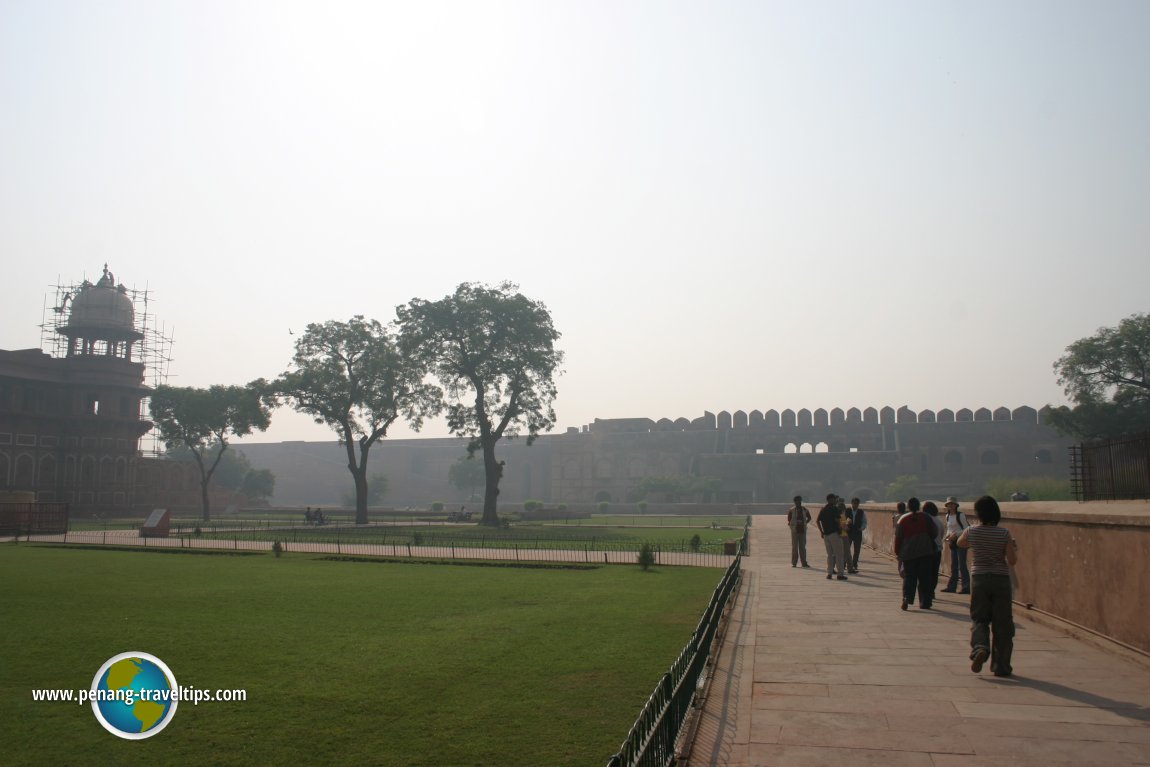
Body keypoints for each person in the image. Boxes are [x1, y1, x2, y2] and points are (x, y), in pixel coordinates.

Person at [958, 495, 1019, 676]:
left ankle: (980, 648)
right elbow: (1012, 561)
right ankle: (1001, 666)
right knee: (1003, 623)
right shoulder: (1004, 533)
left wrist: (975, 545)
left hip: (980, 578)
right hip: (1000, 579)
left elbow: (961, 543)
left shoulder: (972, 531)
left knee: (979, 618)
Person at [894, 497, 937, 610]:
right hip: (925, 552)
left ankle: (907, 598)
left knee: (910, 577)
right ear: (918, 506)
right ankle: (925, 602)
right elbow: (934, 533)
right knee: (925, 578)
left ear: (908, 507)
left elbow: (898, 538)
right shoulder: (926, 517)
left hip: (908, 553)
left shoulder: (903, 519)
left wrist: (898, 553)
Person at [941, 497, 970, 593]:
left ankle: (966, 586)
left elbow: (967, 529)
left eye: (952, 504)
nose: (950, 506)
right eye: (949, 504)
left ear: (956, 505)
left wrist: (956, 534)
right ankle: (952, 586)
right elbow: (949, 528)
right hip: (953, 542)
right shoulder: (947, 516)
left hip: (961, 541)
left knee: (962, 564)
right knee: (954, 565)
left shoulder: (960, 515)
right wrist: (948, 536)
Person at [817, 493, 848, 580]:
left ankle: (829, 573)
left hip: (826, 535)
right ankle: (840, 574)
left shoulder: (823, 509)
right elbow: (839, 520)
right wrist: (844, 527)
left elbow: (817, 521)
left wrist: (821, 532)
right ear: (831, 499)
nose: (835, 500)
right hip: (834, 534)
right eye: (834, 499)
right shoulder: (834, 509)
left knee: (830, 555)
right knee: (839, 555)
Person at [922, 501, 944, 603]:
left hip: (926, 550)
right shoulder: (939, 521)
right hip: (938, 549)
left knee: (926, 572)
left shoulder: (925, 520)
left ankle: (926, 592)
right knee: (934, 572)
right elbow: (942, 535)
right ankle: (932, 591)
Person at [787, 495, 812, 567]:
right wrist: (793, 525)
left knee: (802, 548)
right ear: (795, 502)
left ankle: (804, 562)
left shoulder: (804, 509)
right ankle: (794, 562)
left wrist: (805, 523)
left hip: (802, 530)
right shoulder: (791, 510)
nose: (799, 502)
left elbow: (809, 518)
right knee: (794, 547)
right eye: (797, 501)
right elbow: (789, 519)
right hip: (795, 530)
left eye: (800, 500)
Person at [846, 497, 867, 573]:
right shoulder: (847, 510)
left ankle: (854, 564)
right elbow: (842, 520)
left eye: (857, 503)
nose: (856, 505)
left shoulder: (861, 512)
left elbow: (864, 522)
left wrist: (861, 528)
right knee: (847, 549)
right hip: (849, 532)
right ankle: (846, 564)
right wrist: (846, 525)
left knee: (857, 550)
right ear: (851, 503)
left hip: (857, 532)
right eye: (854, 503)